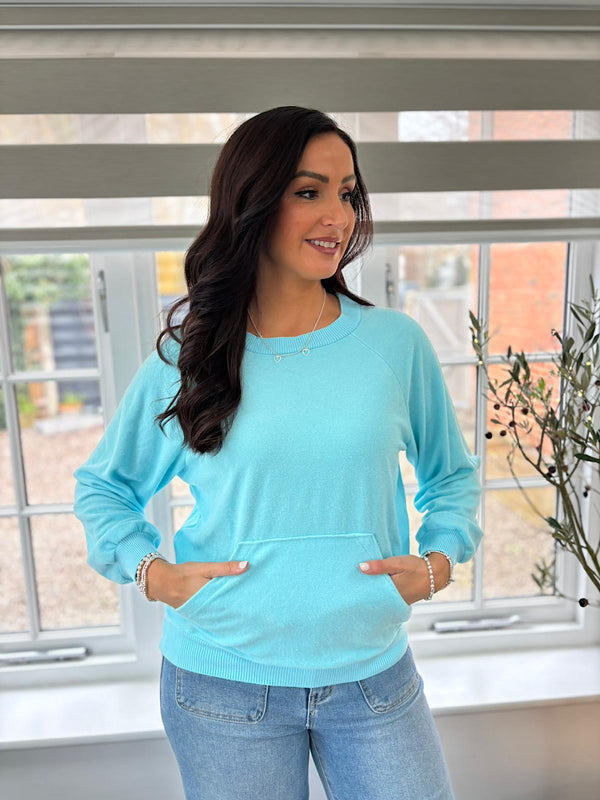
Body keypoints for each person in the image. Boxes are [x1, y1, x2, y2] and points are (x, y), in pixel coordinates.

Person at [73, 106, 483, 800]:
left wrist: (438, 563)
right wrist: (153, 574)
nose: (337, 216)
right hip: (222, 683)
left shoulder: (393, 344)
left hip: (371, 673)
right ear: (253, 201)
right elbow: (104, 488)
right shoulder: (189, 359)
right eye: (308, 191)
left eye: (347, 193)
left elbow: (452, 477)